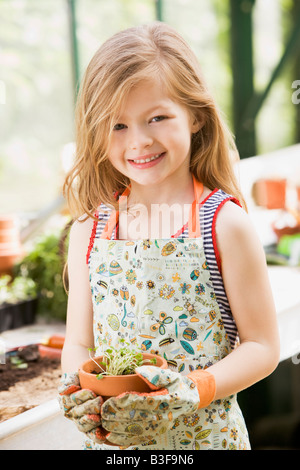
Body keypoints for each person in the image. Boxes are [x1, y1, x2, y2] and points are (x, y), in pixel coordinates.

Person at [58, 22, 280, 451]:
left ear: (195, 115)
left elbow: (263, 346)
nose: (139, 141)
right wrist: (77, 389)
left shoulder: (223, 224)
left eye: (157, 117)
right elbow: (79, 341)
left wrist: (193, 389)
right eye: (117, 125)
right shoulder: (90, 226)